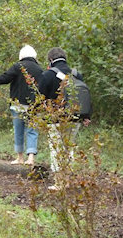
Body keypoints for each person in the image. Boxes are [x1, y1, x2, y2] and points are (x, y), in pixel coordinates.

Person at [0, 45, 43, 165]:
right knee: (32, 131)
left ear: (21, 55)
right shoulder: (39, 69)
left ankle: (19, 158)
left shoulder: (17, 66)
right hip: (34, 106)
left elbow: (3, 78)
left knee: (18, 130)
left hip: (18, 104)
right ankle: (30, 158)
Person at [38, 47, 91, 189]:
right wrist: (86, 116)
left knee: (56, 148)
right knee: (69, 147)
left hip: (55, 118)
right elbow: (82, 95)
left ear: (50, 60)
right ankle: (67, 180)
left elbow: (39, 97)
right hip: (75, 118)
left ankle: (59, 182)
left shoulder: (47, 75)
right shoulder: (76, 74)